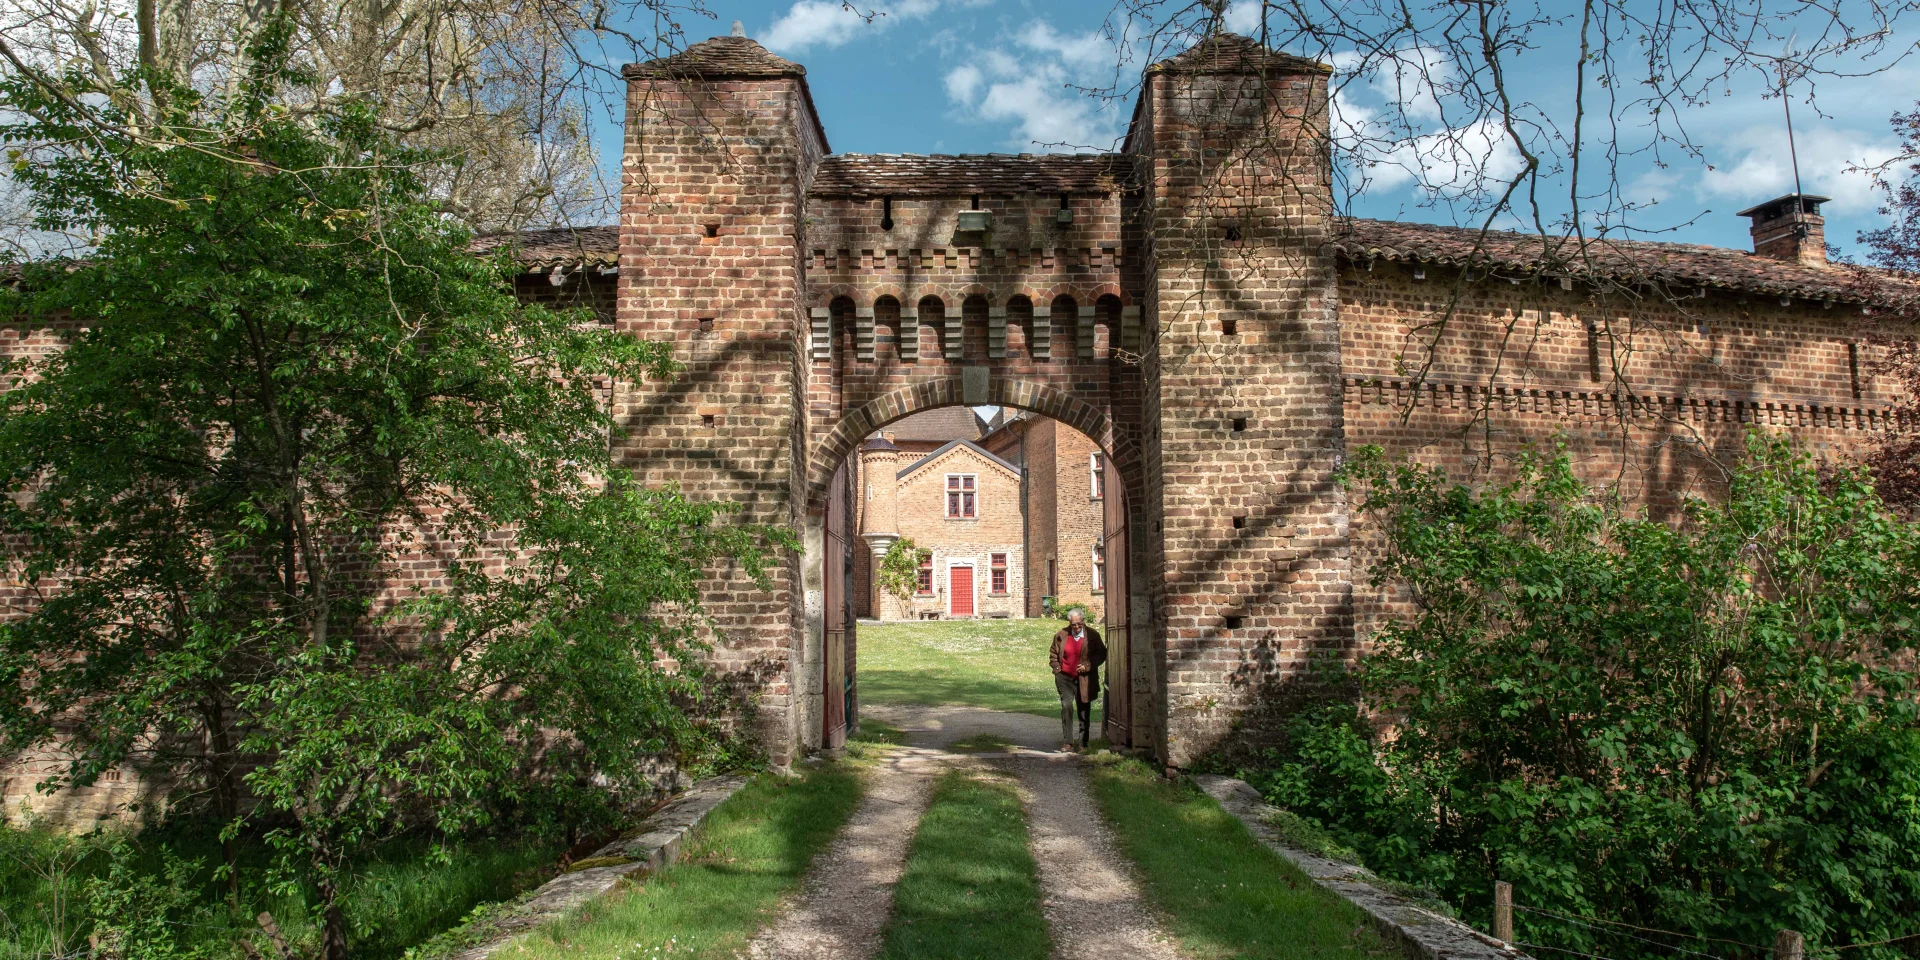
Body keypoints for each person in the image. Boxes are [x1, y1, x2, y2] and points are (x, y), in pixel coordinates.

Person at [1049, 609, 1107, 751]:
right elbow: (1053, 653)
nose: (1076, 627)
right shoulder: (1061, 635)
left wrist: (1088, 665)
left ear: (1083, 621)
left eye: (1079, 624)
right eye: (1073, 624)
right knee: (1066, 707)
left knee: (1084, 709)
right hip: (1065, 678)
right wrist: (1057, 668)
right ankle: (1068, 742)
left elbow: (1101, 654)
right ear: (1069, 623)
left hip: (1084, 679)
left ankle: (1083, 743)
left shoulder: (1092, 635)